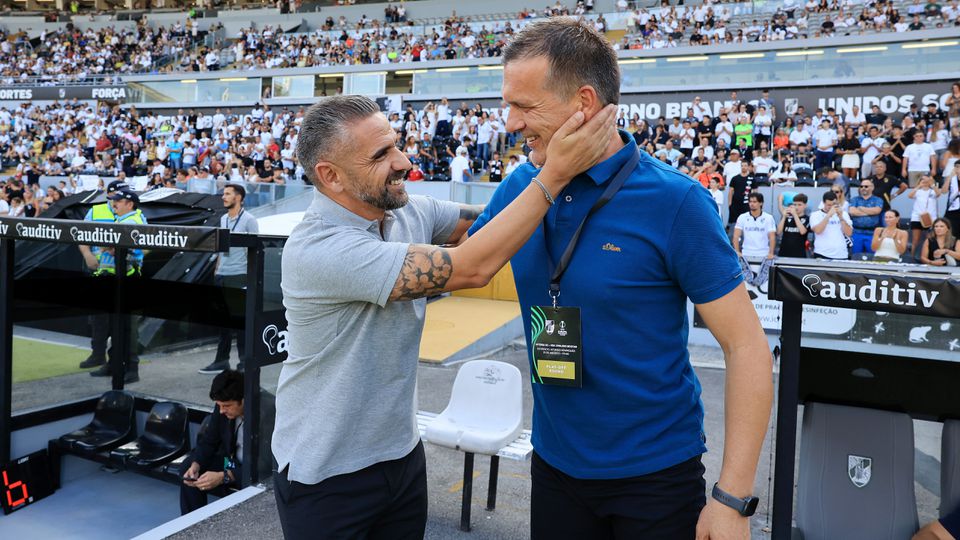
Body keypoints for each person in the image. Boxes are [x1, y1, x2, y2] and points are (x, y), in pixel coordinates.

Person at [468, 18, 771, 540]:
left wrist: (732, 499)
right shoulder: (523, 185)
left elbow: (746, 346)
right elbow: (468, 262)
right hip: (555, 468)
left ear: (583, 103)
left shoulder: (674, 201)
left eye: (524, 105)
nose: (509, 122)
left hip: (655, 479)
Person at [272, 95, 615, 540]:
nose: (402, 161)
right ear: (330, 176)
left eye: (396, 144)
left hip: (400, 457)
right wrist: (553, 172)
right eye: (381, 155)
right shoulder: (318, 249)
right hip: (328, 476)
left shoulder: (405, 210)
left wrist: (545, 154)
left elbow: (492, 222)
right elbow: (473, 265)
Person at [180, 369, 276, 514]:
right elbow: (209, 440)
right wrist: (196, 464)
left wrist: (224, 476)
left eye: (227, 406)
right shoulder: (223, 404)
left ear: (244, 400)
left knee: (250, 481)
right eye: (219, 405)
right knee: (188, 466)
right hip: (232, 462)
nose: (221, 411)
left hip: (255, 469)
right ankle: (193, 519)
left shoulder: (267, 411)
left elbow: (266, 464)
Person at [88, 189, 147, 383]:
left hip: (127, 278)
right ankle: (115, 364)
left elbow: (115, 248)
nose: (114, 204)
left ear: (130, 204)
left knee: (128, 326)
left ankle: (131, 368)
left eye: (118, 201)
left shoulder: (132, 221)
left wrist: (107, 246)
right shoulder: (125, 219)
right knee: (117, 325)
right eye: (114, 201)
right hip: (117, 277)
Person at [200, 184, 259, 374]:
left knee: (240, 323)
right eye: (223, 194)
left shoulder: (249, 220)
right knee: (223, 323)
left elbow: (255, 250)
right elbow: (221, 248)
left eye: (227, 194)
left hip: (240, 275)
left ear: (239, 197)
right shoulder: (224, 218)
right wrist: (217, 271)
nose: (223, 197)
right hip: (222, 275)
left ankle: (244, 363)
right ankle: (221, 361)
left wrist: (250, 278)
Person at [78, 180, 126, 370]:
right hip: (99, 270)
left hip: (122, 271)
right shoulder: (96, 211)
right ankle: (98, 354)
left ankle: (116, 359)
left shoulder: (130, 212)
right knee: (98, 316)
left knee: (118, 317)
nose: (119, 199)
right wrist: (87, 254)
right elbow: (80, 234)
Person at [733, 192, 777, 286]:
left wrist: (771, 253)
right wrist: (737, 251)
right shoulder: (742, 217)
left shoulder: (768, 218)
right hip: (746, 254)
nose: (752, 204)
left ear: (761, 203)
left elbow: (772, 237)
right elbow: (736, 236)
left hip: (763, 255)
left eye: (755, 202)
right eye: (750, 202)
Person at [811, 190, 853, 260]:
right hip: (822, 253)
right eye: (829, 205)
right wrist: (828, 215)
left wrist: (841, 217)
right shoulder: (815, 215)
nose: (831, 207)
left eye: (833, 205)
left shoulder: (844, 214)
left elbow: (849, 233)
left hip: (841, 254)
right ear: (823, 203)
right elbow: (818, 231)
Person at [847, 178, 885, 257]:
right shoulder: (854, 199)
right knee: (855, 256)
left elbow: (877, 211)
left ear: (872, 188)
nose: (863, 188)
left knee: (872, 257)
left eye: (866, 186)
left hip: (872, 233)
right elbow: (852, 212)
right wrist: (870, 212)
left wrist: (861, 208)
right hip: (856, 232)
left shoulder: (878, 200)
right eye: (861, 186)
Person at [908, 174, 941, 260]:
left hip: (930, 218)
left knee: (930, 239)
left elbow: (938, 194)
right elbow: (910, 195)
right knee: (915, 239)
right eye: (923, 181)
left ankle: (929, 257)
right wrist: (919, 186)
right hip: (917, 217)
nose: (925, 183)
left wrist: (932, 184)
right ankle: (911, 258)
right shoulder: (917, 191)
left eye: (927, 181)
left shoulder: (932, 191)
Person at [777, 192, 810, 258]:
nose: (796, 207)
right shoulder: (787, 217)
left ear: (805, 205)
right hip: (784, 253)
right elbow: (778, 232)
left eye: (799, 205)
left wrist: (795, 215)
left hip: (799, 254)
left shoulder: (807, 218)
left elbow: (803, 231)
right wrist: (783, 216)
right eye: (795, 204)